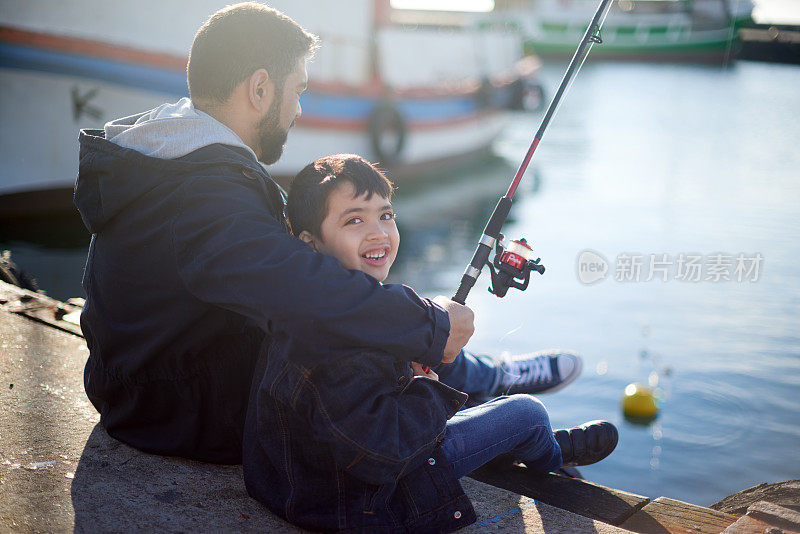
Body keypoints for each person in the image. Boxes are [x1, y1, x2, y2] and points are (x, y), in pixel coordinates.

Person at [73, 2, 579, 465]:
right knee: (354, 309)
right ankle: (494, 395)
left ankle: (484, 380)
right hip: (178, 416)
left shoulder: (169, 155)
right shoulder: (202, 192)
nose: (297, 111)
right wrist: (426, 323)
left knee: (363, 298)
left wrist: (415, 320)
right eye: (298, 91)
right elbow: (297, 289)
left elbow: (281, 278)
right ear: (260, 89)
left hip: (142, 390)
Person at [242, 154, 618, 533]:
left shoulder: (308, 304)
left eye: (385, 215)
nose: (378, 232)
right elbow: (382, 453)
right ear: (311, 243)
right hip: (355, 497)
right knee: (526, 413)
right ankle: (548, 453)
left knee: (442, 358)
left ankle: (498, 398)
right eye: (354, 220)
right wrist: (427, 392)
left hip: (296, 480)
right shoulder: (340, 340)